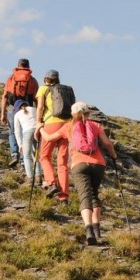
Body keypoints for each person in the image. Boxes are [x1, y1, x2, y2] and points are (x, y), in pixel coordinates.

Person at [41, 102, 117, 245]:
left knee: (84, 197)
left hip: (79, 165)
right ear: (87, 113)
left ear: (72, 114)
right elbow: (107, 144)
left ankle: (89, 232)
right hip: (98, 164)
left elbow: (49, 138)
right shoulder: (95, 125)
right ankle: (97, 230)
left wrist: (40, 129)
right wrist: (114, 156)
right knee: (94, 195)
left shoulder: (68, 126)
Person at [35, 69, 73, 201]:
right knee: (62, 162)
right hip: (67, 125)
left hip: (51, 124)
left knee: (44, 156)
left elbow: (40, 107)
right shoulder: (66, 90)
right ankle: (64, 197)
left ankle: (51, 183)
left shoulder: (43, 89)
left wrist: (38, 124)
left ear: (46, 79)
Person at [0, 59, 38, 167]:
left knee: (12, 132)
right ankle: (23, 159)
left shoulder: (11, 78)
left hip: (12, 109)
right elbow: (36, 98)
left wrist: (3, 113)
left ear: (18, 65)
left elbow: (5, 97)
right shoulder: (32, 80)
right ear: (28, 66)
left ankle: (14, 154)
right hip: (28, 109)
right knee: (24, 133)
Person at [12, 98, 39, 183]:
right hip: (38, 131)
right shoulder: (34, 109)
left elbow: (17, 131)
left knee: (26, 156)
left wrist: (20, 144)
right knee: (36, 155)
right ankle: (39, 176)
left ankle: (30, 177)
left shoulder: (17, 114)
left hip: (27, 132)